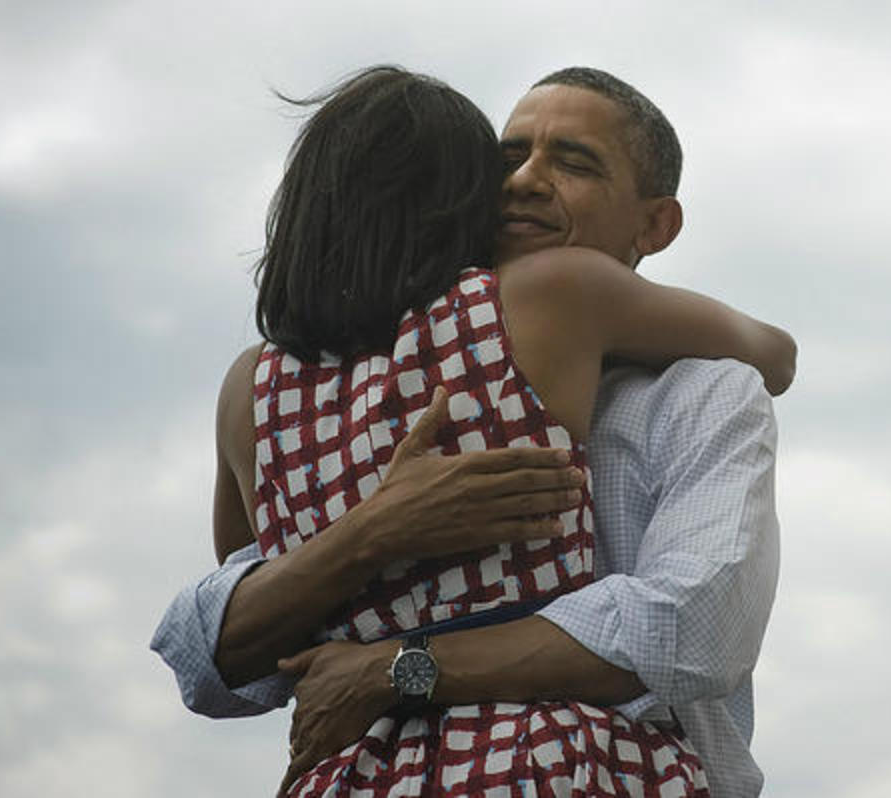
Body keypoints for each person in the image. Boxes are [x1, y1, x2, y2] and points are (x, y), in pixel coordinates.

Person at [153, 66, 786, 797]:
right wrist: (377, 527)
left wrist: (395, 664)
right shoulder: (533, 309)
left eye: (573, 162)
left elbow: (691, 629)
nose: (522, 182)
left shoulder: (256, 387)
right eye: (506, 159)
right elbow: (228, 643)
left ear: (655, 224)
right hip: (555, 763)